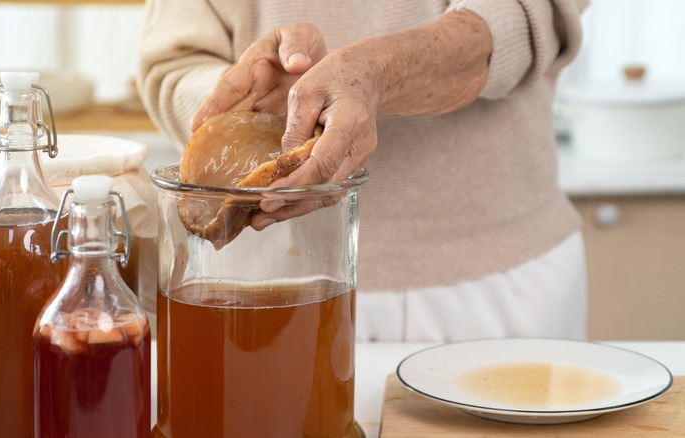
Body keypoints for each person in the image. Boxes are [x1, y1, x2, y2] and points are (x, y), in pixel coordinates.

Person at [137, 0, 589, 342]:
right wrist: (260, 110)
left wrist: (379, 69)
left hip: (499, 275)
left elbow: (532, 13)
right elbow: (174, 64)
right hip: (261, 283)